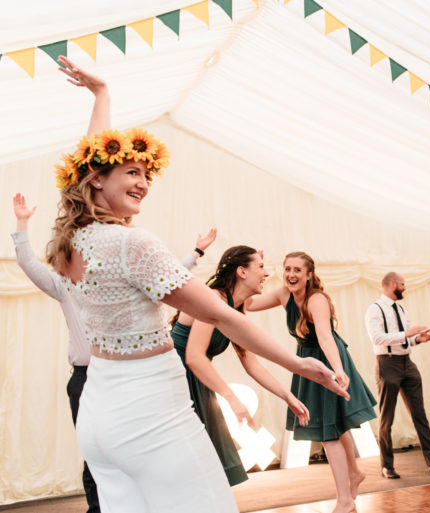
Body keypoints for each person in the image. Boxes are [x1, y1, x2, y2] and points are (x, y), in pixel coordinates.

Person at [47, 57, 347, 513]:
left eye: (146, 174)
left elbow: (88, 162)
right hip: (149, 415)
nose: (144, 182)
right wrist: (300, 366)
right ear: (97, 179)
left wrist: (102, 96)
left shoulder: (71, 240)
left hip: (99, 418)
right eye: (131, 172)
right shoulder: (134, 244)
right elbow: (222, 315)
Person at [11, 193, 215, 513]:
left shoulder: (123, 274)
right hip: (88, 379)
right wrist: (22, 223)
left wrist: (197, 251)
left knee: (140, 462)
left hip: (131, 378)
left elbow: (167, 273)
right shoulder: (63, 284)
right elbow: (27, 262)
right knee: (98, 463)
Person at [246, 251, 377, 513]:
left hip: (326, 359)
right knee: (335, 426)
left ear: (309, 275)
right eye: (287, 269)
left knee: (329, 433)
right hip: (306, 361)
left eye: (297, 270)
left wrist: (337, 370)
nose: (291, 275)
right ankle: (354, 475)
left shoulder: (317, 299)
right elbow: (248, 304)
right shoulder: (283, 295)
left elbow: (326, 338)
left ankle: (345, 499)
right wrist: (255, 272)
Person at [170, 245, 310, 486]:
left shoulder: (235, 306)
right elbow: (194, 357)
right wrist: (233, 400)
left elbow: (251, 362)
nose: (266, 274)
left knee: (204, 468)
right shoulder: (213, 298)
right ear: (242, 272)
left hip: (195, 380)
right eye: (261, 267)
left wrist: (287, 396)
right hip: (175, 381)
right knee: (188, 464)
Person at [364, 272, 430, 479]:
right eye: (403, 284)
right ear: (392, 284)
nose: (405, 288)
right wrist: (407, 334)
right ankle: (387, 466)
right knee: (387, 417)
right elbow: (377, 338)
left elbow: (404, 340)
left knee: (419, 414)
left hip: (407, 363)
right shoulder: (375, 309)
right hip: (387, 364)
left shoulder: (402, 309)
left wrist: (417, 340)